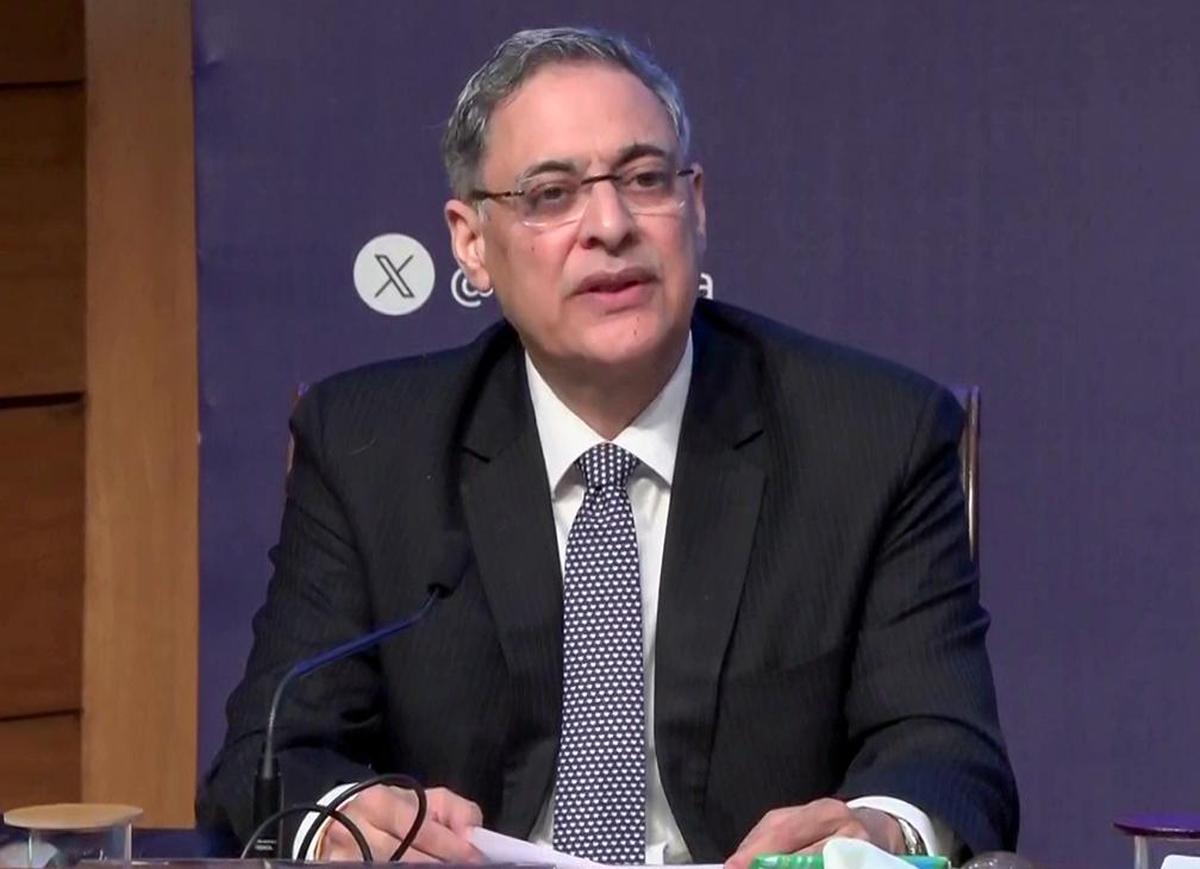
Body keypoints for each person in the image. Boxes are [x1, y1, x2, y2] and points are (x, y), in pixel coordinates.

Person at [198, 26, 1018, 866]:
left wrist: (877, 832)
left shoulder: (870, 437)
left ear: (696, 205)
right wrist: (343, 821)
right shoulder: (370, 448)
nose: (610, 225)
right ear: (471, 241)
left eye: (644, 178)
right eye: (551, 194)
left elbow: (946, 751)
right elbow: (272, 749)